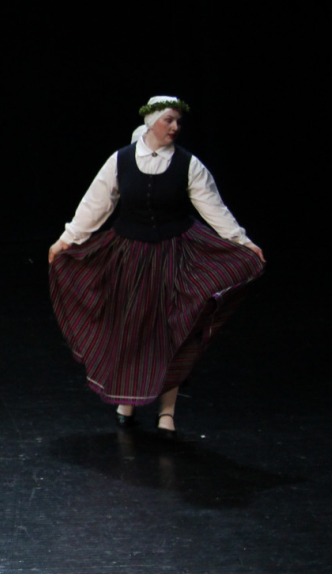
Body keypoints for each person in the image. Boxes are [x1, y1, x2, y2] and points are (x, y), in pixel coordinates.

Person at [48, 96, 265, 436]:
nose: (175, 127)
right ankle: (127, 401)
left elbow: (213, 207)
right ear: (151, 122)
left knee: (172, 332)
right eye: (169, 120)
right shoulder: (121, 160)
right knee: (128, 328)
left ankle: (167, 412)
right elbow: (96, 203)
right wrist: (68, 239)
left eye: (178, 121)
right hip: (130, 255)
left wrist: (241, 241)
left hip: (176, 255)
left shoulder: (188, 164)